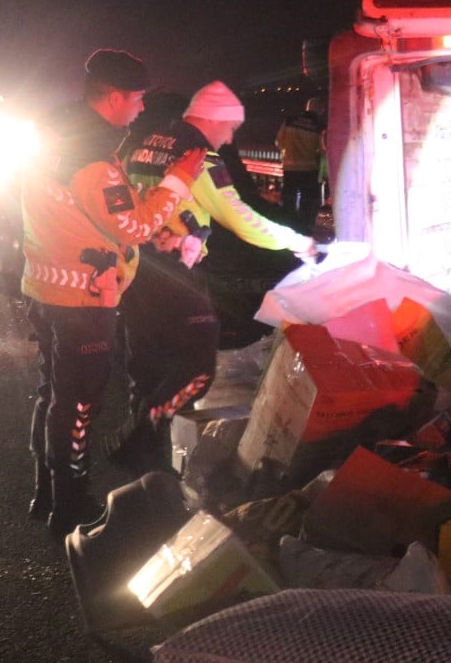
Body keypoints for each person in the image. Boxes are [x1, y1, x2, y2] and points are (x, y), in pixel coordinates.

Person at [21, 49, 211, 534]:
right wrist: (179, 180)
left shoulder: (52, 138)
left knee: (53, 393)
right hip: (83, 297)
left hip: (43, 284)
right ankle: (70, 505)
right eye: (137, 99)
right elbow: (136, 226)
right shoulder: (91, 161)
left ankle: (46, 493)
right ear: (113, 99)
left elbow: (77, 211)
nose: (142, 108)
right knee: (79, 404)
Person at [109, 80, 316, 472]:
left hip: (134, 268)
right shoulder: (198, 156)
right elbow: (240, 218)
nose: (231, 137)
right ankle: (141, 437)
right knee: (199, 369)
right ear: (214, 118)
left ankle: (150, 469)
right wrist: (295, 240)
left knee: (147, 365)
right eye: (231, 127)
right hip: (176, 275)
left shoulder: (143, 143)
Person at [274, 94, 326, 231]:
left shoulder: (290, 120)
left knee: (289, 199)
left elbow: (279, 142)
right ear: (320, 110)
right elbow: (322, 149)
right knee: (307, 202)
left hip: (289, 168)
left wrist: (288, 152)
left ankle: (288, 225)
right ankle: (304, 227)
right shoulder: (319, 126)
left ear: (307, 108)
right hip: (309, 169)